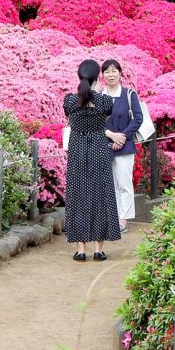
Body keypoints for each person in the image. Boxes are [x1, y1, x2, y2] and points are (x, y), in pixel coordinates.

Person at [63, 59, 121, 261]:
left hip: (77, 151)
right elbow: (105, 115)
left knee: (78, 196)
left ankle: (81, 250)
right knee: (101, 196)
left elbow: (70, 116)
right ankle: (98, 249)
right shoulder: (105, 101)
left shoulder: (70, 101)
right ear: (99, 77)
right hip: (98, 149)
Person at [101, 59, 143, 231]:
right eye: (107, 72)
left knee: (124, 184)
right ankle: (113, 217)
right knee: (110, 184)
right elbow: (95, 122)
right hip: (105, 145)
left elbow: (138, 118)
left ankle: (123, 219)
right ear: (102, 75)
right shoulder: (99, 97)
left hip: (125, 146)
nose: (110, 75)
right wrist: (111, 136)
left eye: (113, 71)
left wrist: (122, 137)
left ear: (120, 73)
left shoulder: (129, 94)